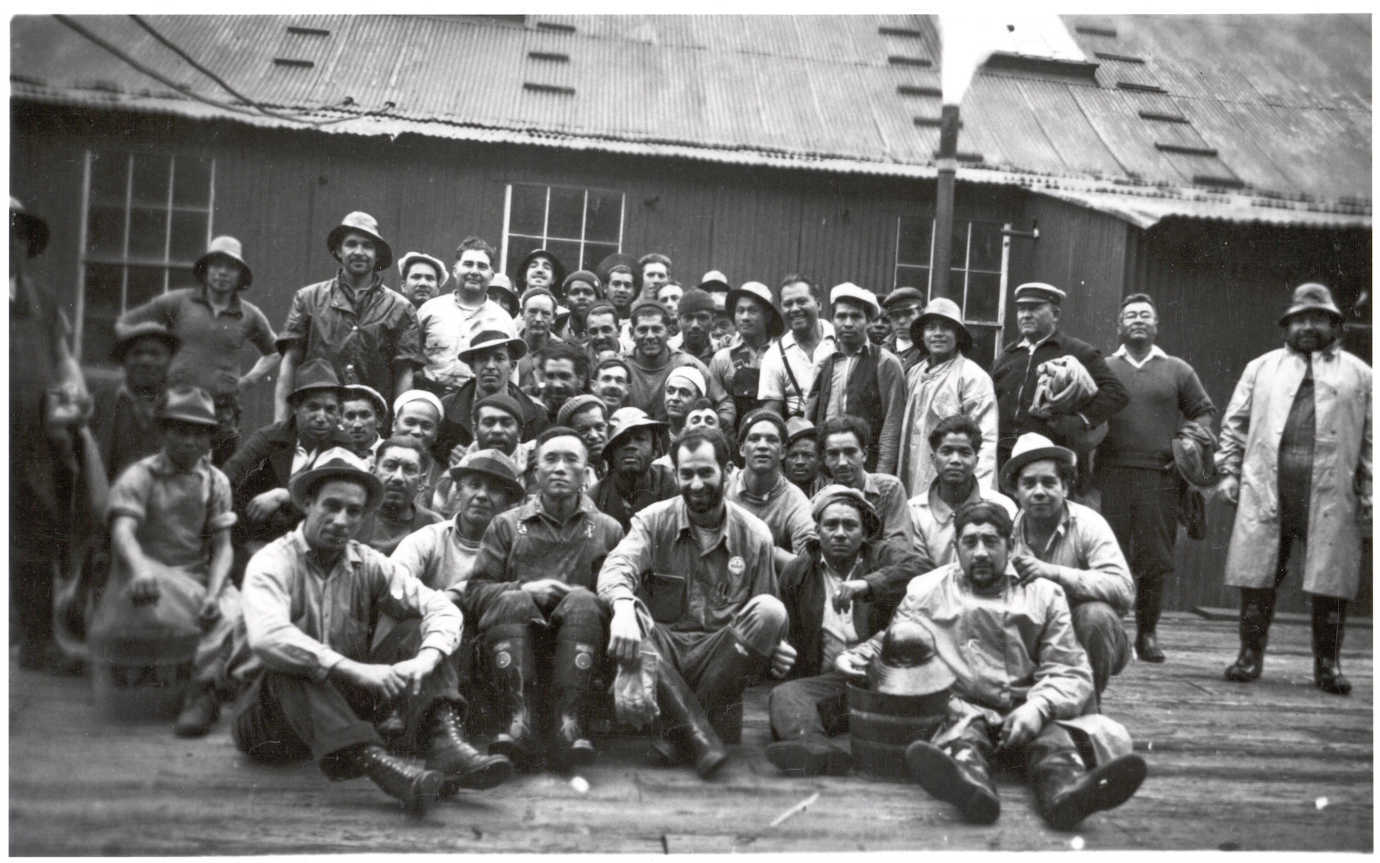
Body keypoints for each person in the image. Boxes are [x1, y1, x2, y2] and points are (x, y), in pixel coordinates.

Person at [230, 450, 512, 813]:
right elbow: (269, 638)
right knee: (290, 664)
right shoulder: (272, 562)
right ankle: (381, 766)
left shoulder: (367, 562)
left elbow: (438, 607)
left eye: (353, 511)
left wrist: (425, 660)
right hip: (271, 722)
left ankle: (446, 746)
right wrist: (356, 670)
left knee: (417, 630)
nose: (341, 519)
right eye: (331, 506)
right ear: (307, 503)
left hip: (344, 710)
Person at [837, 501, 1147, 830]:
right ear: (956, 548)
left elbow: (1069, 667)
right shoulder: (927, 590)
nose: (981, 553)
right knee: (962, 744)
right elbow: (894, 640)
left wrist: (1038, 708)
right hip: (962, 710)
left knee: (1057, 749)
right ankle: (971, 790)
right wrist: (852, 657)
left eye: (991, 542)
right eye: (970, 543)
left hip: (1029, 711)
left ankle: (1068, 796)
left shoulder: (1044, 593)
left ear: (1011, 545)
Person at [598, 428, 794, 777]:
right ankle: (699, 735)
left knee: (770, 611)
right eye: (686, 474)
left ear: (728, 471)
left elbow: (765, 608)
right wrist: (624, 609)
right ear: (675, 474)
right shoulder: (653, 520)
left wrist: (775, 643)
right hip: (665, 654)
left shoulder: (755, 535)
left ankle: (679, 733)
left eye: (706, 472)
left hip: (718, 656)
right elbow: (617, 567)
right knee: (629, 614)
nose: (696, 483)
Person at [1216, 283, 1371, 695]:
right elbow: (1235, 424)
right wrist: (1229, 472)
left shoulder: (1360, 374)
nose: (1307, 326)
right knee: (1259, 576)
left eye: (1316, 318)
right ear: (1287, 325)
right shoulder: (1261, 368)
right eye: (1299, 319)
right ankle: (1249, 656)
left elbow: (1372, 440)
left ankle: (1328, 665)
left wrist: (1371, 492)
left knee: (1331, 582)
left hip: (1331, 493)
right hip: (1270, 490)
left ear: (1334, 325)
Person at [467, 428, 625, 769]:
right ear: (535, 471)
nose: (559, 468)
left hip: (581, 648)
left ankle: (570, 724)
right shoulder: (506, 525)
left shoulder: (608, 529)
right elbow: (476, 593)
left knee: (584, 601)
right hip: (516, 646)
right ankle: (517, 722)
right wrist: (523, 590)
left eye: (571, 460)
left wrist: (578, 599)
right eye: (550, 459)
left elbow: (619, 597)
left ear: (586, 473)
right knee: (513, 600)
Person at [98, 386, 240, 737]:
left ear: (209, 438)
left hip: (195, 576)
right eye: (181, 430)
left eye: (199, 432)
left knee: (239, 614)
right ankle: (203, 691)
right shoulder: (141, 476)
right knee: (177, 615)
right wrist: (140, 568)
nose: (190, 441)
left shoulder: (215, 480)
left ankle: (204, 691)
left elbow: (223, 546)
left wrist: (215, 588)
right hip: (148, 574)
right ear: (164, 431)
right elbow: (123, 530)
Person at [765, 486, 923, 775]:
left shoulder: (882, 555)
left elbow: (923, 568)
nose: (839, 533)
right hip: (832, 683)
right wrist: (780, 649)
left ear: (864, 533)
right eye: (831, 525)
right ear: (818, 531)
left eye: (850, 525)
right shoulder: (798, 572)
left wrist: (868, 584)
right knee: (786, 695)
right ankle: (816, 750)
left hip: (886, 680)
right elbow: (787, 635)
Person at [1097, 293, 1216, 663]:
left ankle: (1146, 635)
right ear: (1119, 325)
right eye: (1130, 315)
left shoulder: (1177, 369)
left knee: (1154, 558)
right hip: (1111, 475)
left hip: (1160, 478)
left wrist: (1189, 443)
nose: (1137, 320)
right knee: (1108, 553)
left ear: (1156, 325)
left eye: (1145, 315)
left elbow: (1203, 413)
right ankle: (1109, 633)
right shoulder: (1103, 367)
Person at [10, 198, 95, 671]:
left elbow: (62, 361)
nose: (9, 241)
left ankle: (39, 644)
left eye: (17, 233)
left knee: (37, 538)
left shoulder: (41, 299)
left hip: (34, 440)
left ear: (27, 244)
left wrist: (73, 401)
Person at [1003, 433, 1133, 699]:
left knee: (1094, 616)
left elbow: (1123, 589)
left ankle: (1086, 709)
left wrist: (1053, 573)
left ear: (1065, 487)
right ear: (1015, 491)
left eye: (1049, 482)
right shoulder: (1005, 534)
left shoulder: (1088, 523)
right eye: (1029, 483)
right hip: (1029, 640)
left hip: (1084, 637)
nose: (1039, 491)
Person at [273, 212, 422, 420]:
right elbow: (290, 363)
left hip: (372, 426)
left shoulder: (400, 308)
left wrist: (398, 426)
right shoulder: (308, 299)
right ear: (338, 251)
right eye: (351, 244)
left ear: (377, 254)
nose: (359, 252)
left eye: (367, 246)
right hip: (320, 421)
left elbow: (404, 374)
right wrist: (281, 423)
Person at [991, 282, 1129, 482]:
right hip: (1005, 459)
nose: (1025, 315)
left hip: (1053, 459)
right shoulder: (1007, 356)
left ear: (1055, 314)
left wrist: (1080, 420)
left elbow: (1116, 393)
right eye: (1021, 309)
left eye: (1035, 308)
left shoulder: (1077, 351)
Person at [118, 235, 278, 406]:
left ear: (240, 275)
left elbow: (275, 352)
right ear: (206, 270)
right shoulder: (177, 302)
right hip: (172, 404)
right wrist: (150, 364)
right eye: (216, 265)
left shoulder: (249, 314)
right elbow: (125, 324)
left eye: (231, 267)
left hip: (222, 409)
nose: (222, 272)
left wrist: (249, 380)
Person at [223, 358, 352, 550]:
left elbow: (342, 495)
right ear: (296, 407)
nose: (321, 417)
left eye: (330, 409)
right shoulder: (269, 438)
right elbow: (227, 480)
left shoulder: (344, 446)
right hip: (260, 539)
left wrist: (286, 494)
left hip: (316, 544)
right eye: (313, 407)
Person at [895, 298, 998, 497]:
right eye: (931, 328)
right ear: (922, 335)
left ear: (958, 335)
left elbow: (986, 438)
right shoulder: (914, 374)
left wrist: (979, 494)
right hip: (914, 471)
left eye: (946, 328)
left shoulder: (972, 376)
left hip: (955, 477)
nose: (938, 334)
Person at [392, 449, 526, 601]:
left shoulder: (516, 550)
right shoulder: (429, 539)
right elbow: (393, 584)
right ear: (459, 491)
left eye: (494, 489)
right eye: (474, 485)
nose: (482, 495)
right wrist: (444, 602)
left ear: (508, 502)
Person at [805, 282, 906, 474]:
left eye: (856, 316)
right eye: (841, 316)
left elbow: (892, 425)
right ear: (832, 320)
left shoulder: (885, 363)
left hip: (867, 465)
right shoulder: (825, 363)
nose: (848, 323)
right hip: (829, 465)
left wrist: (880, 475)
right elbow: (811, 416)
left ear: (868, 321)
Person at [908, 415, 1017, 570]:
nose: (955, 460)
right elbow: (917, 572)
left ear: (976, 461)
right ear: (933, 459)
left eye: (965, 452)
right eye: (946, 451)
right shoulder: (914, 511)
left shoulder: (1002, 506)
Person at [436, 319, 548, 457]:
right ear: (472, 366)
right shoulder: (447, 409)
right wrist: (448, 454)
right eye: (483, 359)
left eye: (499, 358)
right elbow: (435, 448)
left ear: (512, 366)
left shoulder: (535, 414)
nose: (490, 366)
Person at [416, 236, 508, 396]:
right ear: (455, 270)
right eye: (468, 264)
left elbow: (510, 374)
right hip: (431, 398)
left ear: (491, 275)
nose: (474, 271)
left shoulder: (503, 319)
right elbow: (410, 360)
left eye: (482, 266)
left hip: (478, 402)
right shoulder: (430, 310)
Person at [90, 321, 180, 481]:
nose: (145, 361)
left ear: (169, 360)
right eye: (137, 353)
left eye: (155, 354)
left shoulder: (181, 406)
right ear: (124, 360)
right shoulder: (101, 403)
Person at [725, 410, 816, 568]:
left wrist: (767, 551)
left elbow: (809, 566)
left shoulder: (795, 501)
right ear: (741, 449)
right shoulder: (724, 487)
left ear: (783, 451)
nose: (762, 446)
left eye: (771, 440)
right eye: (754, 439)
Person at [816, 416, 911, 550]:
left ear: (864, 454)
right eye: (833, 454)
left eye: (850, 452)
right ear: (825, 459)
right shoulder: (821, 499)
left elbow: (899, 548)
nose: (842, 462)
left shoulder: (889, 489)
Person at [432, 392, 534, 516]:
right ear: (475, 431)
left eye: (506, 423)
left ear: (519, 433)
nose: (497, 430)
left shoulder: (534, 470)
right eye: (489, 423)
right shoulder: (452, 477)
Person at [709, 281, 784, 431]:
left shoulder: (782, 355)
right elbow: (713, 404)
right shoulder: (722, 358)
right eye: (740, 311)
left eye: (752, 311)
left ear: (768, 316)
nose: (745, 317)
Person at [588, 407, 679, 532]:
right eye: (622, 440)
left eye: (640, 439)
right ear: (611, 452)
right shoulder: (596, 497)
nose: (630, 446)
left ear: (655, 450)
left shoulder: (667, 483)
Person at [759, 274, 836, 419]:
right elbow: (772, 414)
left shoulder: (839, 340)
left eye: (801, 301)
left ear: (818, 304)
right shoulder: (774, 356)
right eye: (788, 304)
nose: (794, 309)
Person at [624, 298, 713, 421]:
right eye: (643, 330)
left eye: (656, 329)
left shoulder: (689, 365)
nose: (650, 336)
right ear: (632, 333)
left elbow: (724, 404)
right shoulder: (621, 366)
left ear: (669, 331)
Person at [358, 437, 442, 555]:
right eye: (390, 466)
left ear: (421, 482)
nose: (398, 477)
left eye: (409, 469)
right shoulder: (353, 516)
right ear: (372, 472)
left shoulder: (434, 526)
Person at [556, 394, 611, 485]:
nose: (594, 436)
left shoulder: (616, 465)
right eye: (583, 430)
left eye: (599, 427)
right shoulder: (564, 476)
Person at [516, 287, 562, 393]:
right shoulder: (509, 347)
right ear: (522, 313)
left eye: (545, 313)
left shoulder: (562, 350)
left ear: (554, 317)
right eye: (532, 312)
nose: (538, 319)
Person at [533, 340, 589, 425]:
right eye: (550, 376)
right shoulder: (531, 412)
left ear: (580, 379)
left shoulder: (592, 413)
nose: (557, 384)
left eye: (564, 376)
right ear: (542, 378)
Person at [880, 286, 926, 373]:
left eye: (908, 314)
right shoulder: (879, 352)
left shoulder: (930, 351)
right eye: (895, 315)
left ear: (921, 314)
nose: (901, 321)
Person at [671, 287, 719, 368]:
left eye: (702, 318)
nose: (695, 325)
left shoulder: (721, 350)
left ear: (713, 320)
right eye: (688, 318)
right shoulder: (669, 350)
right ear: (679, 320)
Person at [340, 384, 388, 460]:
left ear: (379, 420)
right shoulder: (333, 454)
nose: (357, 425)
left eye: (365, 416)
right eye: (350, 416)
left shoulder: (390, 451)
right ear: (340, 421)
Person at [554, 270, 601, 346]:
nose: (581, 297)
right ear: (566, 298)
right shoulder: (555, 327)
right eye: (575, 292)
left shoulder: (605, 331)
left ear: (598, 298)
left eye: (588, 292)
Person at [663, 365, 707, 438]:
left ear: (698, 399)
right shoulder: (655, 434)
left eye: (684, 393)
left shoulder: (706, 438)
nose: (675, 398)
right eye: (670, 391)